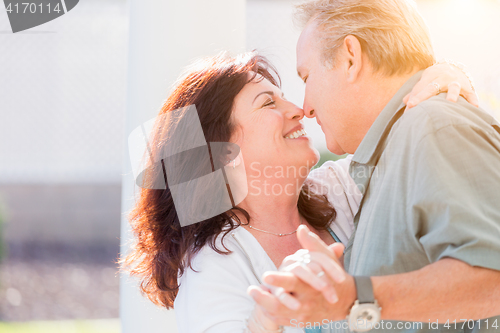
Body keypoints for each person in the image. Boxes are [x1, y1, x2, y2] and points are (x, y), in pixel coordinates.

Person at [122, 51, 478, 333]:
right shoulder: (212, 270)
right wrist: (266, 322)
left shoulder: (341, 188)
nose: (298, 110)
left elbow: (418, 144)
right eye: (268, 103)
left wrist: (444, 77)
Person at [250, 1, 500, 332]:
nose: (306, 108)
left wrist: (356, 298)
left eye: (307, 77)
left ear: (351, 58)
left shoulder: (433, 128)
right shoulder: (390, 154)